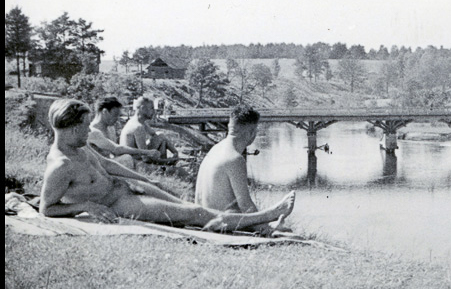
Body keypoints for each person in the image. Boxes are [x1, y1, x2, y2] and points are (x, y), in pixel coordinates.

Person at [40, 98, 294, 232]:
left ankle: (258, 222)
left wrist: (146, 180)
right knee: (195, 215)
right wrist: (85, 206)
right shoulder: (61, 165)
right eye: (85, 126)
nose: (90, 130)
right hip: (118, 203)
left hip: (128, 188)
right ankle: (268, 216)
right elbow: (46, 209)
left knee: (187, 207)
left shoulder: (80, 146)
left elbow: (108, 164)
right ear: (72, 129)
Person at [195, 104, 288, 234]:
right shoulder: (234, 158)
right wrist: (266, 228)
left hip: (205, 221)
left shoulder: (215, 150)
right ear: (252, 132)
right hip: (223, 226)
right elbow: (245, 205)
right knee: (284, 230)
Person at [88, 96, 161, 168]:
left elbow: (115, 153)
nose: (117, 119)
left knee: (132, 160)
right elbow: (116, 149)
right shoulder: (92, 131)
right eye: (115, 115)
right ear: (105, 112)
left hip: (109, 163)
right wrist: (146, 152)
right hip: (97, 166)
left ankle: (159, 168)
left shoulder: (111, 128)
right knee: (127, 159)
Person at [120, 96, 180, 164]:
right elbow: (145, 158)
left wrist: (175, 152)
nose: (154, 111)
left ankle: (167, 163)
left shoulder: (141, 123)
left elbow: (157, 136)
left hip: (138, 158)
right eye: (151, 108)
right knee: (161, 140)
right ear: (142, 108)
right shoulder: (138, 127)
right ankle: (164, 166)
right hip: (134, 162)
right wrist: (167, 161)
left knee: (161, 138)